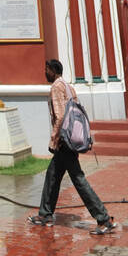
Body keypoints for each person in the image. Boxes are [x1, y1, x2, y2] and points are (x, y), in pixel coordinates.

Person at [29, 59, 114, 233]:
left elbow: (60, 117)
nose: (45, 73)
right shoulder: (69, 87)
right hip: (70, 139)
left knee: (78, 179)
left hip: (64, 141)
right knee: (52, 175)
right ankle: (45, 214)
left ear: (53, 71)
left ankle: (103, 218)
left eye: (46, 70)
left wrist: (54, 139)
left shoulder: (55, 88)